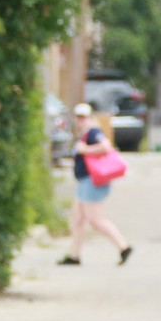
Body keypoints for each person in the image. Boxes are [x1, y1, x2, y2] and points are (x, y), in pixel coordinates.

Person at [58, 103, 133, 266]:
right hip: (84, 181)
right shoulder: (85, 134)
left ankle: (123, 247)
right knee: (77, 218)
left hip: (92, 181)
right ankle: (74, 255)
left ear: (90, 118)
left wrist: (84, 150)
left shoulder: (93, 133)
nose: (80, 121)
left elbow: (105, 147)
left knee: (95, 219)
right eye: (78, 117)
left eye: (83, 117)